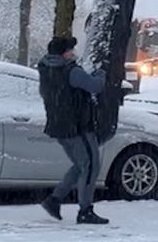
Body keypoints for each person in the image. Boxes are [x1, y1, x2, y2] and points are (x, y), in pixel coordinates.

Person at [37, 36, 109, 224]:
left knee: (81, 165)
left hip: (59, 126)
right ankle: (85, 210)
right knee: (91, 166)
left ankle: (54, 200)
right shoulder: (71, 71)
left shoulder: (46, 69)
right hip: (78, 127)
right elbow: (96, 86)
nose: (73, 53)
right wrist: (101, 73)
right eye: (70, 49)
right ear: (64, 53)